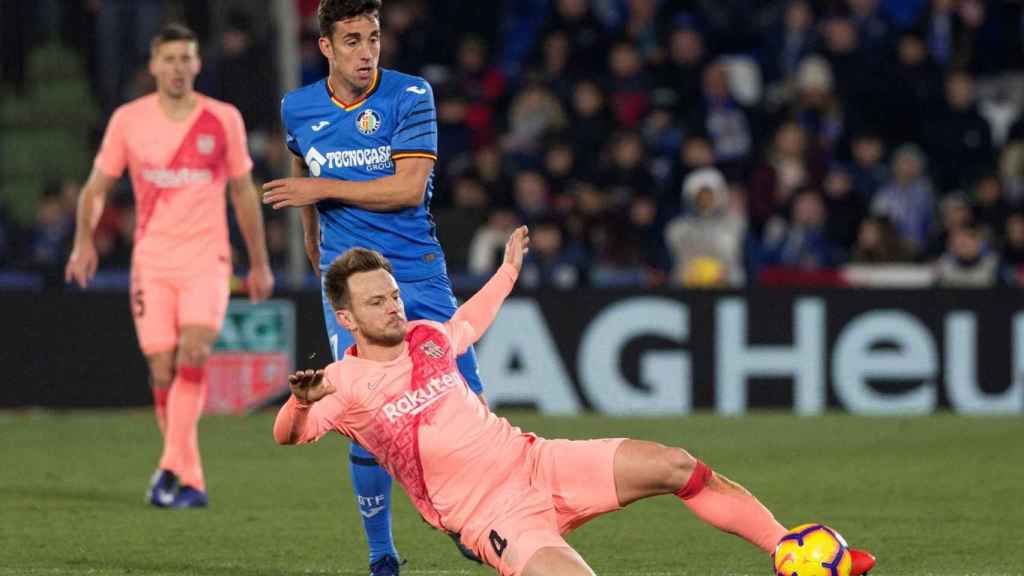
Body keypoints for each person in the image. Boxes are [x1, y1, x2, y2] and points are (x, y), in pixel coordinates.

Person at [273, 226, 877, 576]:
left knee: (675, 464)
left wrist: (508, 270)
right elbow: (289, 435)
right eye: (377, 302)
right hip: (493, 517)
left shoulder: (427, 338)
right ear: (346, 316)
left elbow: (468, 323)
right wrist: (301, 403)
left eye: (394, 294)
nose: (394, 307)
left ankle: (788, 551)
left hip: (538, 461)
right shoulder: (343, 386)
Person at [263, 1, 484, 572]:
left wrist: (319, 192)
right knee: (365, 412)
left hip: (416, 272)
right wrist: (312, 241)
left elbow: (409, 188)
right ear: (327, 48)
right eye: (354, 41)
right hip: (349, 280)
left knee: (468, 402)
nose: (367, 52)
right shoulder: (298, 107)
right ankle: (381, 554)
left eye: (374, 38)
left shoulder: (410, 96)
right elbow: (302, 174)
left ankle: (474, 518)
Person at [64, 23, 274, 508]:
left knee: (195, 353)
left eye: (186, 58)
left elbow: (243, 191)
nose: (178, 67)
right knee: (162, 368)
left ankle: (167, 471)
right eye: (170, 59)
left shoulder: (222, 119)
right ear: (154, 65)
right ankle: (189, 476)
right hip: (152, 261)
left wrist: (259, 261)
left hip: (207, 257)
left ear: (197, 64)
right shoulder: (128, 121)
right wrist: (82, 243)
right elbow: (96, 189)